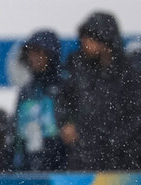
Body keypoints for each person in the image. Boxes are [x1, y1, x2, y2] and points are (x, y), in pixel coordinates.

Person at [60, 11, 141, 170]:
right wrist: (67, 124)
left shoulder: (129, 74)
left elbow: (134, 119)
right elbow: (64, 102)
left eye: (89, 39)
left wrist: (105, 140)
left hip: (122, 165)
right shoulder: (79, 69)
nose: (83, 43)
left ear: (104, 41)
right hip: (83, 163)